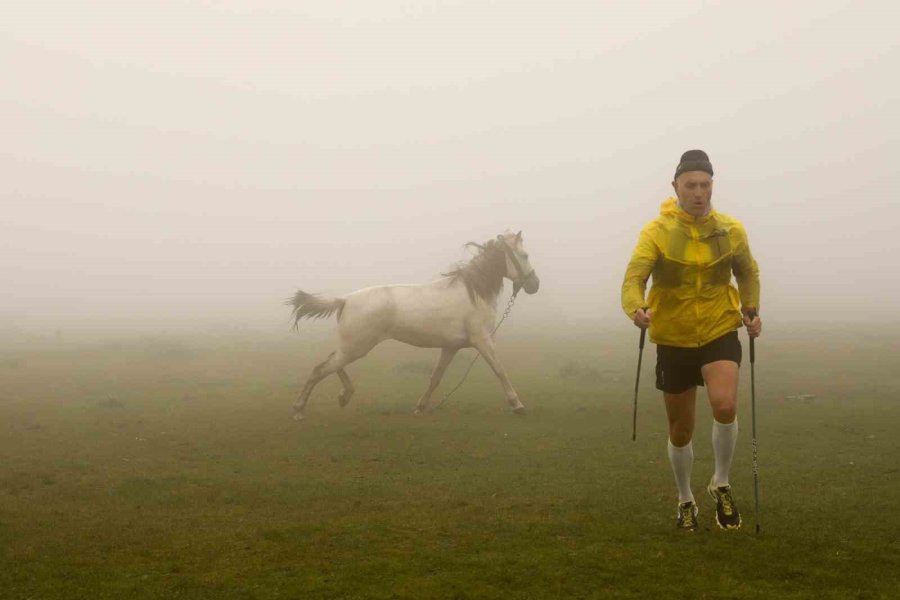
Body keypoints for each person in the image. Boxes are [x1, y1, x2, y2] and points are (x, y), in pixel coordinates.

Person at [621, 150, 761, 530]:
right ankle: (685, 498)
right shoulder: (658, 231)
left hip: (719, 328)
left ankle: (721, 482)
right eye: (691, 185)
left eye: (705, 185)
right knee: (680, 430)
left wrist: (750, 308)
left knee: (725, 405)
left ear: (712, 185)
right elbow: (634, 278)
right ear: (676, 187)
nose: (699, 193)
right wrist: (636, 308)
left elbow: (747, 272)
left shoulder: (730, 230)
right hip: (673, 337)